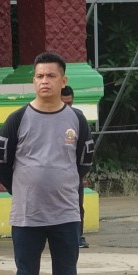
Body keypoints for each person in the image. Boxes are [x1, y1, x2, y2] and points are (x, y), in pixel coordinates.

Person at [0, 51, 97, 275]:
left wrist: (62, 186)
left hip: (66, 215)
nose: (44, 81)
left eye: (51, 76)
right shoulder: (17, 119)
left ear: (63, 80)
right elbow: (2, 163)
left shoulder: (76, 119)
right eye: (39, 76)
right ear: (33, 80)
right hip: (27, 216)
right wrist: (24, 190)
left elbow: (84, 162)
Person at [61, 85, 90, 249]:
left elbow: (86, 147)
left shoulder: (78, 117)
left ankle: (78, 236)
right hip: (53, 171)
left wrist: (79, 172)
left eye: (70, 103)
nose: (67, 107)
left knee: (77, 205)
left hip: (73, 171)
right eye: (64, 103)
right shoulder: (45, 118)